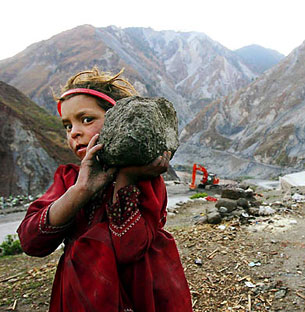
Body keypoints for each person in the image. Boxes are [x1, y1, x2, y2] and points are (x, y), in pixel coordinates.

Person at [17, 67, 193, 312]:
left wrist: (127, 178)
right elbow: (30, 241)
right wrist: (81, 191)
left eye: (86, 119)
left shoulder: (146, 179)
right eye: (67, 126)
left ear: (118, 120)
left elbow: (129, 248)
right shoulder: (69, 178)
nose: (74, 132)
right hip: (82, 292)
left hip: (140, 291)